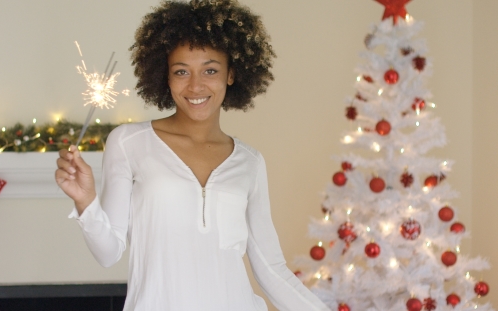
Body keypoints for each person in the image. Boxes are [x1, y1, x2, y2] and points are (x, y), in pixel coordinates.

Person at [55, 1, 329, 310]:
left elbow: (271, 269)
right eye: (181, 71)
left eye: (210, 70)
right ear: (165, 77)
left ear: (231, 74)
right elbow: (107, 254)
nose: (196, 85)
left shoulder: (249, 162)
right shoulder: (129, 142)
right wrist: (86, 201)